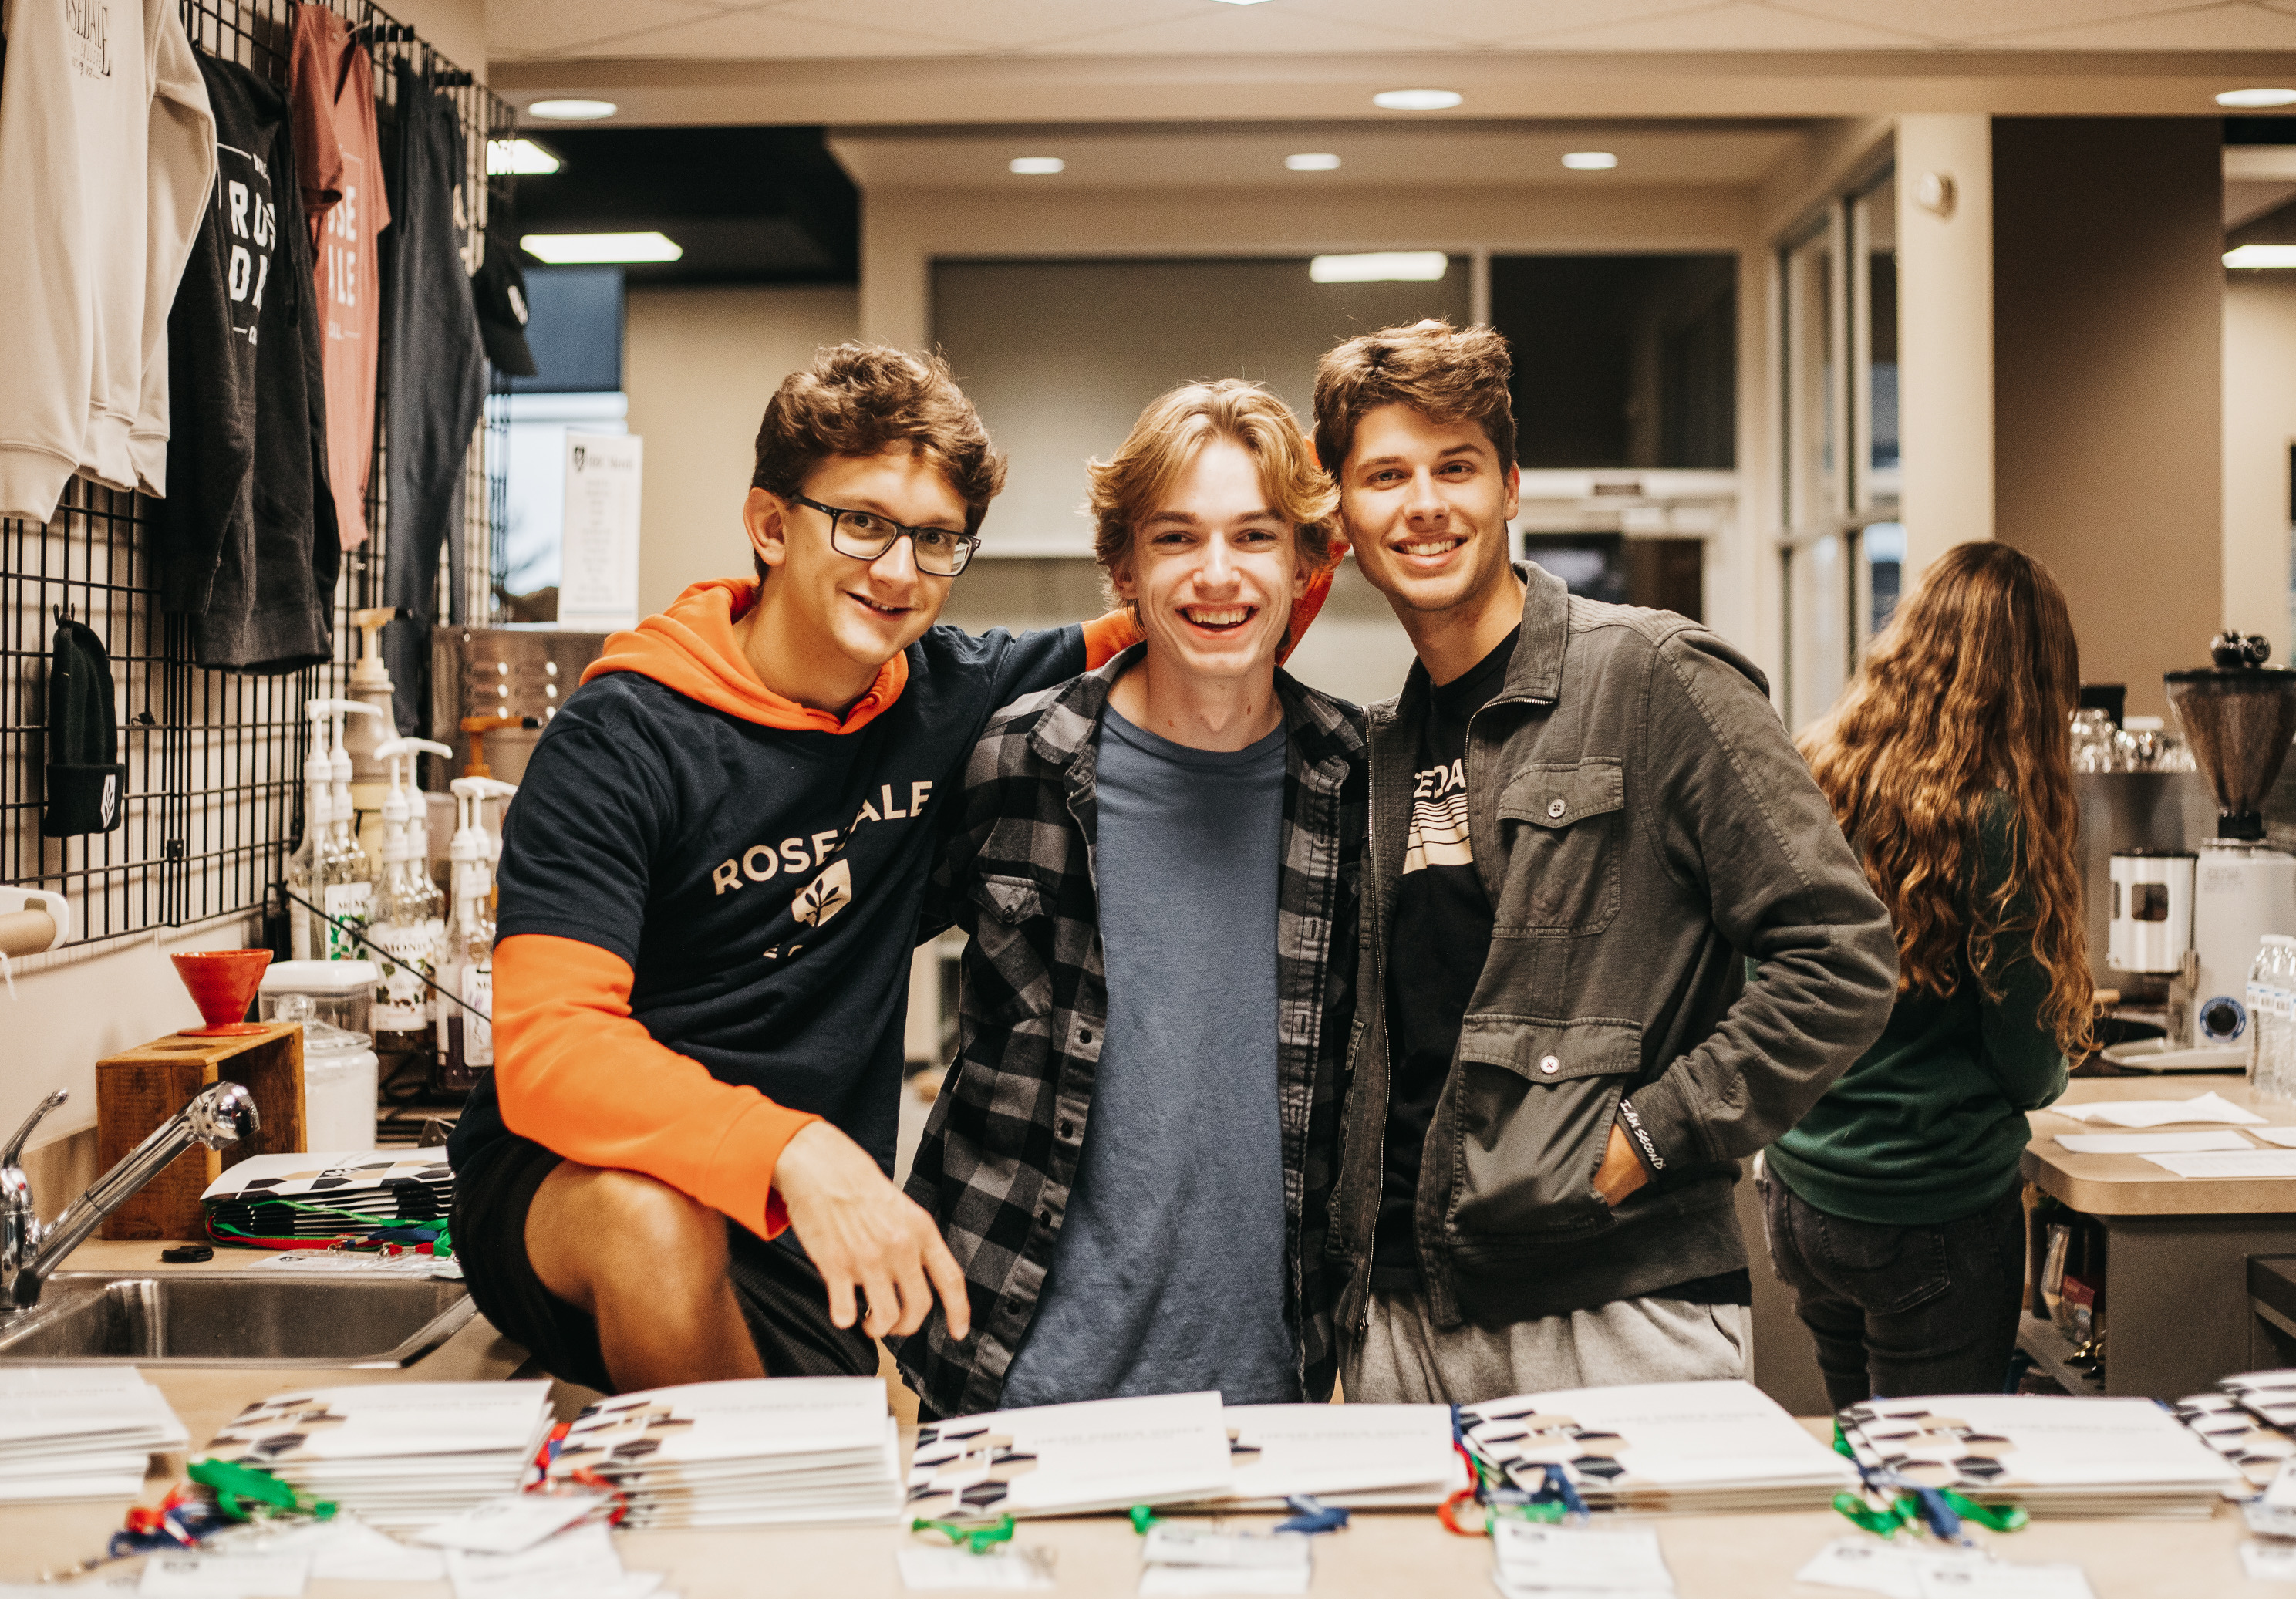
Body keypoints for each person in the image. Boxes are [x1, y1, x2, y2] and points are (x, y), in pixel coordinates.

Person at [444, 343, 1155, 1395]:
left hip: (793, 1228)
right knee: (657, 1227)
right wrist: (791, 1147)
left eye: (935, 538)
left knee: (824, 1464)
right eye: (862, 522)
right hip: (581, 1187)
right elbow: (551, 1053)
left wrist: (1338, 505)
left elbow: (1200, 621)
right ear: (771, 525)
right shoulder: (624, 736)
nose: (900, 570)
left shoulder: (949, 696)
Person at [1311, 319, 1900, 1405]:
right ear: (1343, 517)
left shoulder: (1652, 675)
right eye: (1385, 475)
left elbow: (1841, 954)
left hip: (1616, 1305)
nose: (1424, 504)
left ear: (1511, 487)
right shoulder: (1380, 748)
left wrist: (1646, 1134)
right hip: (1402, 1312)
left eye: (1457, 468)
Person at [895, 380, 1365, 1419]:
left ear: (1304, 564)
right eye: (1176, 537)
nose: (1216, 574)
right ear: (1124, 567)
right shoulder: (1015, 759)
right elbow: (841, 965)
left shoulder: (1357, 784)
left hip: (1267, 1387)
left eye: (1253, 535)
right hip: (1012, 1371)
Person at [1762, 541, 2086, 1408]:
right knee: (1935, 1472)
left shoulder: (1815, 769)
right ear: (2033, 683)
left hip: (1801, 1192)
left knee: (1863, 1452)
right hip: (1925, 1207)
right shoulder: (1994, 817)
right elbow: (2029, 1066)